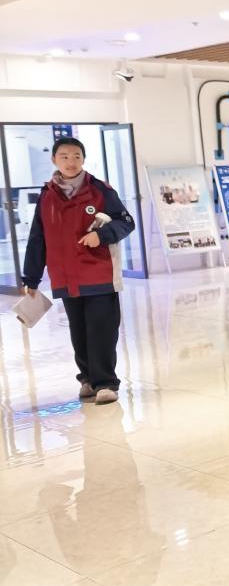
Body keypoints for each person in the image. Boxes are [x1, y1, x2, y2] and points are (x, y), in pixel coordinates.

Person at [21, 136, 136, 405]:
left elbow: (126, 222)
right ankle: (87, 379)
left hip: (99, 273)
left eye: (76, 156)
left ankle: (105, 383)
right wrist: (31, 278)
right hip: (65, 277)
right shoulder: (47, 195)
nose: (71, 162)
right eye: (64, 156)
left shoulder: (100, 190)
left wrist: (102, 235)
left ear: (83, 159)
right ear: (54, 160)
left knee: (101, 329)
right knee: (79, 331)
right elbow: (38, 238)